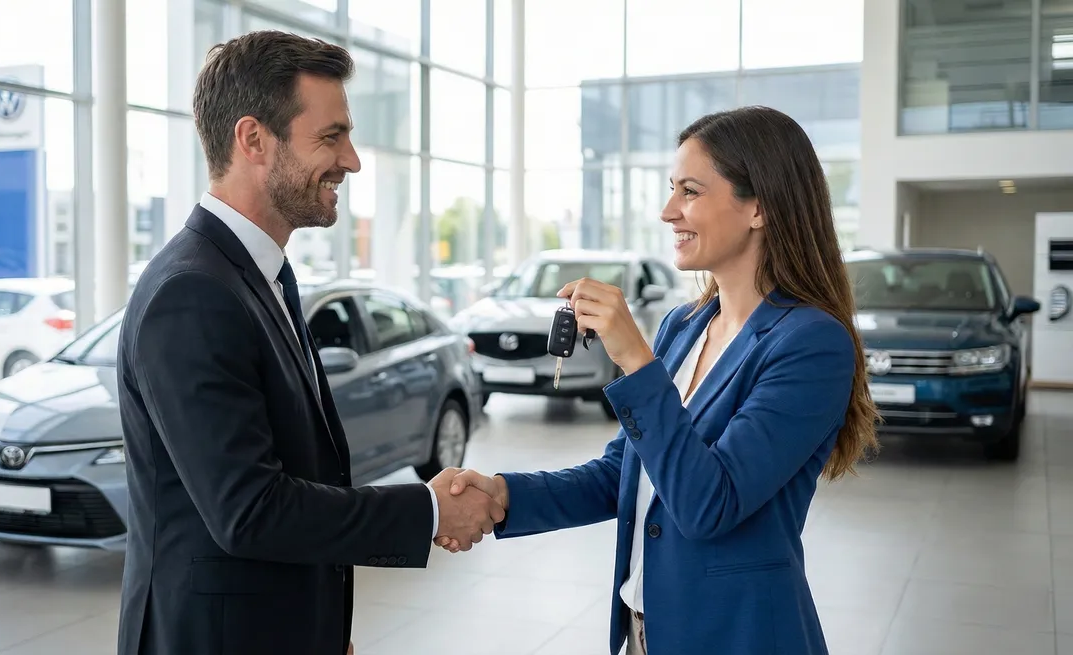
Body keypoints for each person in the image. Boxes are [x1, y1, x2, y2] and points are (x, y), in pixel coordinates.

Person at [438, 106, 880, 655]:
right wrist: (504, 496)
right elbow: (621, 473)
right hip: (648, 633)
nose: (668, 211)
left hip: (739, 637)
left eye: (690, 191)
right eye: (672, 189)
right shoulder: (684, 325)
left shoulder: (810, 344)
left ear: (759, 206)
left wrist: (635, 361)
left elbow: (707, 505)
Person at [115, 31, 503, 655]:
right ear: (253, 140)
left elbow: (298, 469)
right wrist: (426, 513)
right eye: (331, 137)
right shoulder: (191, 293)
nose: (352, 160)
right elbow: (250, 510)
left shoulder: (265, 274)